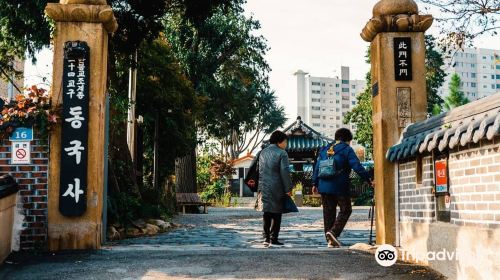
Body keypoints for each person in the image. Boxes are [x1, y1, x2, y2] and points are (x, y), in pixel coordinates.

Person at [312, 128, 373, 248]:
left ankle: (330, 240)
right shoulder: (346, 149)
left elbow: (317, 167)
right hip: (339, 185)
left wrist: (315, 183)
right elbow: (356, 166)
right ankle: (333, 233)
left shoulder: (325, 149)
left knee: (328, 213)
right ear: (347, 140)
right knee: (346, 210)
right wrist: (368, 178)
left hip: (324, 185)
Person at [250, 130, 293, 247]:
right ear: (280, 141)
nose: (286, 144)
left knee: (266, 212)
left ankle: (266, 238)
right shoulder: (282, 153)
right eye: (285, 141)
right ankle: (274, 238)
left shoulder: (262, 152)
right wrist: (288, 187)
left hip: (263, 186)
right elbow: (284, 171)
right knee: (277, 213)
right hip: (277, 186)